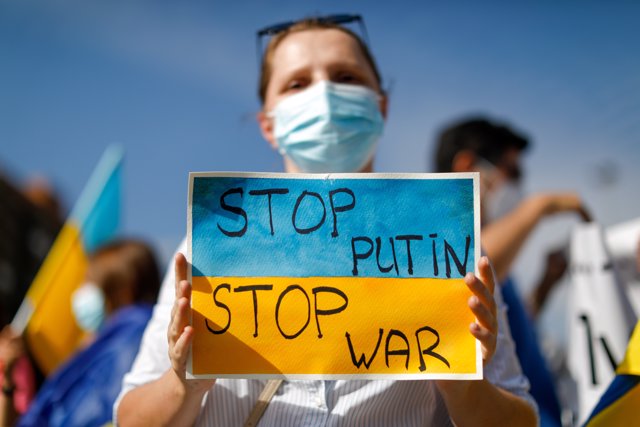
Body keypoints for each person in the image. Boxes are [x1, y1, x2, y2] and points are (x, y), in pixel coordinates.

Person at [115, 16, 538, 426]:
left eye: (346, 76)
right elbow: (129, 418)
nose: (326, 94)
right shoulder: (208, 243)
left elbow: (520, 419)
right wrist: (182, 384)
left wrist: (465, 389)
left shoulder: (446, 242)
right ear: (268, 124)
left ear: (381, 106)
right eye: (297, 83)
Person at [434, 116, 591, 426]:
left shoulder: (499, 266)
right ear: (468, 167)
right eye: (513, 171)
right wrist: (539, 207)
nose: (519, 184)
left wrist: (545, 286)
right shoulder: (453, 253)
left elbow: (506, 344)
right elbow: (474, 265)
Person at [15, 239, 161, 427]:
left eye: (89, 282)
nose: (81, 291)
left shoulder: (131, 341)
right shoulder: (122, 338)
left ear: (124, 291)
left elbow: (86, 414)